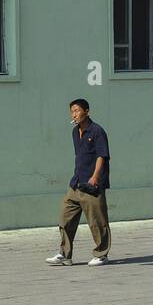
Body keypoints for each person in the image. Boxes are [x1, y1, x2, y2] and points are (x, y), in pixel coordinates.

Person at [46, 98, 111, 266]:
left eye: (77, 110)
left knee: (97, 221)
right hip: (76, 183)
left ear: (87, 111)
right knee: (65, 218)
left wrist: (96, 176)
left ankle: (101, 254)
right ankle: (64, 254)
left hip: (92, 185)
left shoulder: (97, 131)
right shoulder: (75, 132)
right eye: (72, 111)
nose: (74, 114)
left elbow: (102, 155)